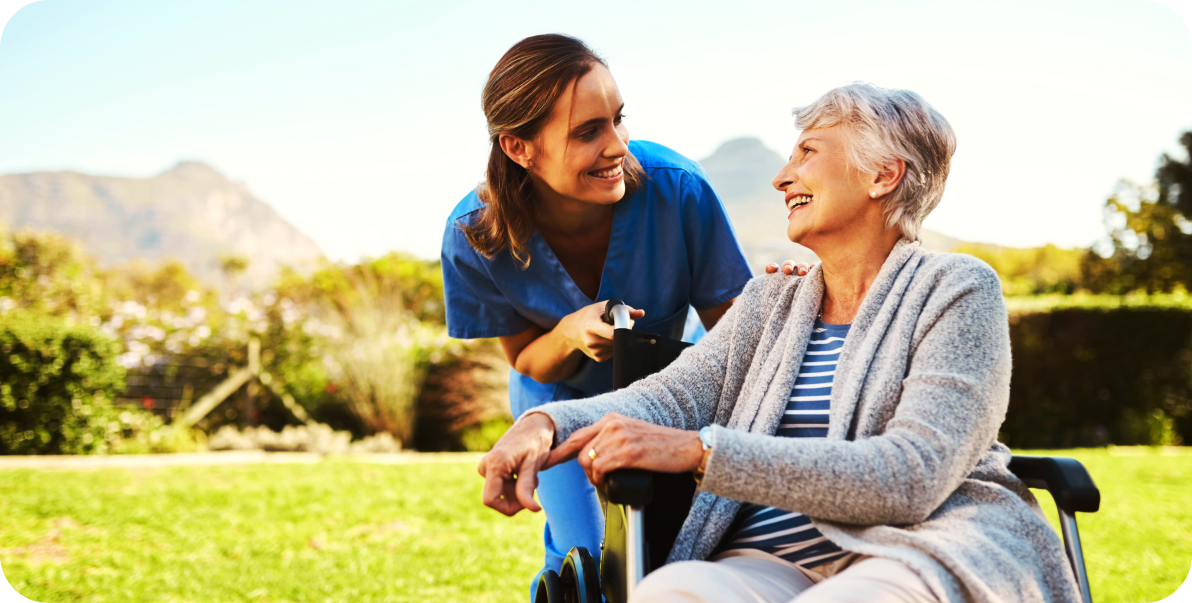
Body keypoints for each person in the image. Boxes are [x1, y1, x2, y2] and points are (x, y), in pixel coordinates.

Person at [478, 83, 1084, 603]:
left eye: (808, 153)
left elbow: (913, 474)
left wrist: (703, 453)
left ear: (883, 174)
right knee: (667, 593)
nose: (781, 175)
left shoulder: (954, 289)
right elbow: (666, 400)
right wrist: (546, 423)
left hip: (915, 550)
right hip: (767, 564)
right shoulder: (773, 303)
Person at [441, 34, 808, 598]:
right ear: (519, 148)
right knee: (589, 561)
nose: (618, 146)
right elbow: (526, 361)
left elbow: (732, 338)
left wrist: (792, 305)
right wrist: (567, 332)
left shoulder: (678, 189)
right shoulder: (474, 234)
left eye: (618, 120)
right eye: (588, 131)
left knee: (658, 554)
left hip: (665, 392)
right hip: (555, 405)